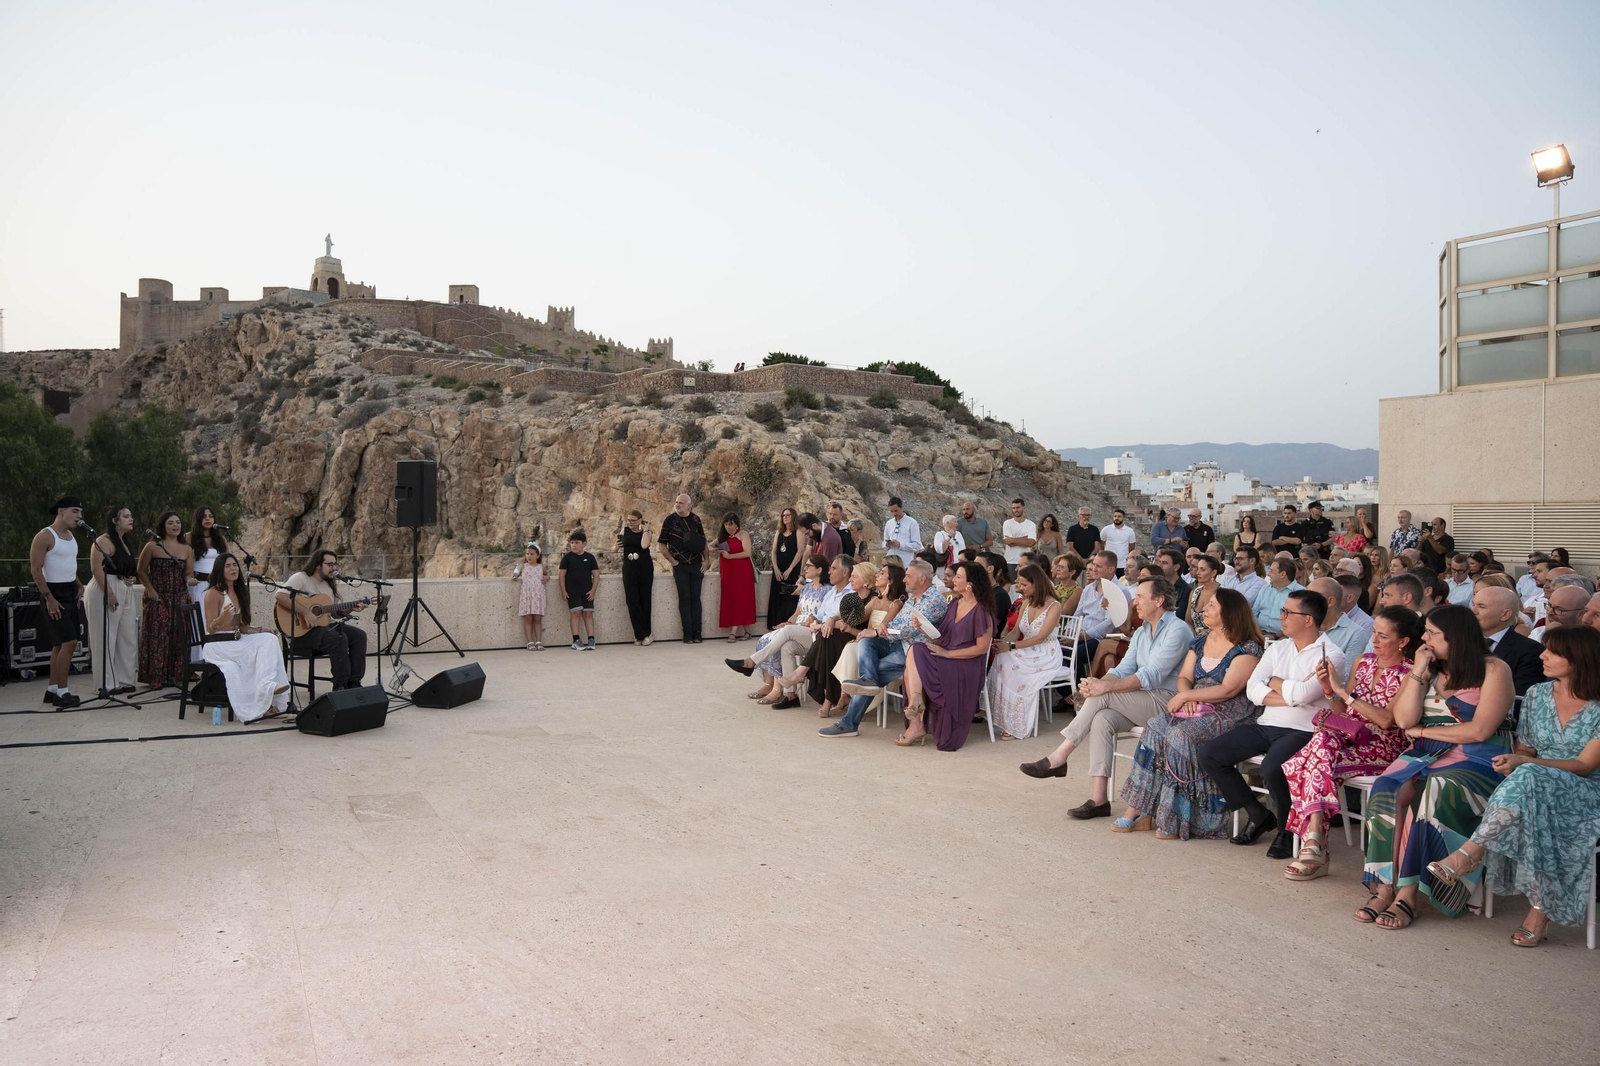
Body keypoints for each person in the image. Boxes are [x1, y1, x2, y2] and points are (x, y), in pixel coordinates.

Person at [1425, 626, 1600, 945]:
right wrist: (1515, 760)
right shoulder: (1537, 694)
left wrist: (1526, 764)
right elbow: (1527, 750)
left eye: (1552, 651)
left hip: (1585, 792)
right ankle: (1536, 911)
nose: (1542, 655)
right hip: (1534, 785)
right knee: (1527, 776)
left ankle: (1470, 853)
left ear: (1578, 659)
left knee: (1529, 775)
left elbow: (1585, 766)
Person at [1357, 604, 1513, 930]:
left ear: (1455, 637)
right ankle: (1385, 886)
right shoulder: (1431, 670)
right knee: (1386, 788)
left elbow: (1481, 730)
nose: (1424, 638)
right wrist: (1418, 671)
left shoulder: (1494, 669)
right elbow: (1403, 720)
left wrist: (1425, 731)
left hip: (1477, 759)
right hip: (1426, 754)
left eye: (1432, 633)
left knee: (1434, 790)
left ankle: (1408, 895)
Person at [1020, 576, 1193, 818]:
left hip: (1168, 700)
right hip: (1143, 699)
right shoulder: (1143, 631)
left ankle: (1059, 757)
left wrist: (1103, 689)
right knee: (1102, 718)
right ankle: (1099, 799)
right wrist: (1098, 683)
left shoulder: (1178, 630)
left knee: (1103, 697)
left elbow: (1151, 675)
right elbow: (1124, 668)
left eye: (1141, 597)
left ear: (1160, 600)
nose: (1135, 602)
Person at [1200, 589, 1348, 860]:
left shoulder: (1331, 654)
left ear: (1308, 620)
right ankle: (1258, 813)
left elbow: (1305, 696)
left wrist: (1276, 682)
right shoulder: (1277, 647)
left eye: (1288, 612)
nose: (1281, 617)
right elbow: (1252, 690)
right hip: (1267, 722)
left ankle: (1287, 829)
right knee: (1211, 754)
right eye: (1282, 611)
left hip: (1303, 729)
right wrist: (1290, 694)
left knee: (1273, 768)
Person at [1278, 606, 1424, 880]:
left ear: (1403, 641)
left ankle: (1315, 844)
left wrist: (1343, 691)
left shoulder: (1411, 673)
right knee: (1321, 743)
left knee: (1305, 760)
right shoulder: (1363, 662)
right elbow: (1342, 714)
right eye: (1374, 633)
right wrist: (1328, 689)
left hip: (1385, 746)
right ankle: (1314, 841)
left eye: (1383, 636)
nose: (1375, 641)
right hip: (1348, 739)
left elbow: (1386, 720)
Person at [1113, 589, 1263, 839]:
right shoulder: (1201, 642)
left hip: (1229, 713)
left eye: (1212, 606)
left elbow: (1229, 690)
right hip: (1196, 705)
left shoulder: (1247, 648)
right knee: (1155, 726)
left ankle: (1181, 818)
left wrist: (1187, 696)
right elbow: (1184, 678)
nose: (1204, 610)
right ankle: (1138, 810)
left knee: (1179, 735)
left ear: (1229, 613)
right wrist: (1186, 694)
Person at [825, 559, 948, 737]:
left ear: (921, 579)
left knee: (872, 669)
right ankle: (866, 681)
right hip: (897, 643)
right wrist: (880, 629)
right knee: (866, 642)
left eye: (908, 576)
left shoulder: (934, 600)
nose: (904, 580)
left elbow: (910, 630)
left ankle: (849, 723)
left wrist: (878, 631)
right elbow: (898, 622)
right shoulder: (913, 598)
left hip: (914, 652)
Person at [897, 559, 995, 750]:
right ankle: (916, 700)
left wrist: (948, 654)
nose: (952, 579)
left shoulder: (982, 610)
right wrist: (925, 630)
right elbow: (942, 639)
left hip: (965, 664)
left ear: (970, 584)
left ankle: (917, 714)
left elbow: (981, 648)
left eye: (958, 576)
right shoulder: (955, 604)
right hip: (947, 656)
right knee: (917, 647)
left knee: (915, 656)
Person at [200, 553, 290, 722]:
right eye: (227, 566)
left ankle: (266, 688)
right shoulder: (213, 593)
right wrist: (221, 619)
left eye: (234, 565)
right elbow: (210, 629)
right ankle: (264, 696)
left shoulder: (239, 590)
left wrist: (262, 629)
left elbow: (241, 627)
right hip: (218, 645)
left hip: (235, 640)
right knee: (253, 655)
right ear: (220, 569)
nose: (233, 568)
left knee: (268, 639)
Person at [731, 554, 830, 705]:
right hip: (796, 630)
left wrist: (792, 626)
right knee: (782, 645)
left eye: (809, 566)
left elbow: (823, 618)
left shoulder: (828, 591)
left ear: (819, 570)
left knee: (785, 633)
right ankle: (790, 695)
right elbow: (798, 613)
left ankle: (752, 662)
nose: (805, 568)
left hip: (813, 632)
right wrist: (787, 622)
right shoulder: (806, 589)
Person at [984, 564, 1065, 740]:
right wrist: (1002, 642)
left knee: (1011, 664)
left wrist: (1011, 647)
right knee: (1001, 658)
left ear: (1036, 583)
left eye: (1024, 584)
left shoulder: (1054, 606)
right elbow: (1015, 632)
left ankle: (1016, 724)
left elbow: (1040, 638)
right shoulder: (1026, 602)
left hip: (1046, 653)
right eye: (1018, 584)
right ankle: (1004, 716)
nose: (1019, 589)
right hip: (1026, 647)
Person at [278, 549, 370, 688]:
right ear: (318, 565)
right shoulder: (301, 578)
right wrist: (305, 612)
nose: (334, 568)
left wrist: (351, 607)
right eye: (330, 564)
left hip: (323, 629)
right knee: (339, 638)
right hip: (301, 633)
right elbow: (281, 596)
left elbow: (332, 614)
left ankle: (353, 683)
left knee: (359, 636)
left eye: (335, 564)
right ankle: (340, 686)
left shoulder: (328, 584)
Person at [31, 496, 87, 706]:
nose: (79, 516)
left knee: (58, 645)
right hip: (53, 594)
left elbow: (68, 565)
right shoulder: (44, 536)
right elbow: (36, 570)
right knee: (70, 642)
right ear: (61, 511)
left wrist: (79, 584)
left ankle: (52, 689)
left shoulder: (71, 536)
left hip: (70, 591)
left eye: (80, 512)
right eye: (75, 511)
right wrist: (49, 598)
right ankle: (63, 693)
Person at [137, 510, 196, 690]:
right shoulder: (152, 546)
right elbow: (141, 570)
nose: (175, 525)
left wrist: (190, 580)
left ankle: (176, 675)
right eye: (171, 522)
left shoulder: (187, 549)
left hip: (179, 597)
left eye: (177, 522)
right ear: (163, 525)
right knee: (157, 636)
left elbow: (187, 573)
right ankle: (156, 676)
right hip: (158, 596)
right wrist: (150, 590)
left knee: (179, 636)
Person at [86, 505, 139, 696]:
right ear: (115, 521)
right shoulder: (103, 540)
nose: (130, 519)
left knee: (127, 635)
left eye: (130, 515)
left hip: (123, 588)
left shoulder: (124, 541)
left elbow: (123, 567)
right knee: (106, 637)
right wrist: (109, 593)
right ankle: (106, 683)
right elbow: (96, 569)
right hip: (105, 588)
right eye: (126, 516)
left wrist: (129, 578)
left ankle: (125, 679)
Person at [1471, 585, 1545, 697]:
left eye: (1481, 606)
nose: (1473, 611)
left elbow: (1519, 696)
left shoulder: (1531, 651)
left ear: (1505, 614)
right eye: (1473, 604)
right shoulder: (1461, 642)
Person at [659, 494, 710, 643]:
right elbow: (662, 544)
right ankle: (687, 633)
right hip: (680, 567)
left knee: (696, 599)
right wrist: (673, 562)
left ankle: (698, 633)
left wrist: (706, 559)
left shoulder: (696, 519)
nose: (678, 505)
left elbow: (703, 542)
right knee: (684, 599)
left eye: (681, 503)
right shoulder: (669, 520)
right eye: (676, 502)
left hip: (696, 566)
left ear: (689, 505)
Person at [186, 505, 232, 647]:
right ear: (197, 519)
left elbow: (227, 561)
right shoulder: (189, 537)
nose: (207, 519)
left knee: (218, 620)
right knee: (199, 620)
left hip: (217, 586)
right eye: (204, 516)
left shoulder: (220, 540)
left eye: (210, 516)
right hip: (199, 585)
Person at [715, 513, 757, 641]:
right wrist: (718, 550)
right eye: (726, 524)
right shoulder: (723, 537)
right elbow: (710, 546)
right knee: (732, 599)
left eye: (730, 524)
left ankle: (733, 632)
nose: (728, 527)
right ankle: (747, 632)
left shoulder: (743, 534)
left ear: (736, 524)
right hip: (728, 573)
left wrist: (730, 556)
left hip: (742, 572)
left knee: (741, 599)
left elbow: (748, 552)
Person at [1309, 576, 1368, 665]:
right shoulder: (1304, 623)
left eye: (1311, 597)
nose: (1304, 602)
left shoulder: (1355, 634)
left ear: (1330, 601)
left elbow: (1347, 675)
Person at [616, 513, 653, 645]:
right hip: (629, 568)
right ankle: (639, 634)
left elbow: (644, 545)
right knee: (632, 600)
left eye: (633, 520)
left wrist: (646, 529)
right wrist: (615, 547)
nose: (630, 522)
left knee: (645, 599)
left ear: (640, 520)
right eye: (629, 520)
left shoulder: (646, 532)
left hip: (644, 568)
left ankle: (647, 634)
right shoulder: (625, 530)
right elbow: (617, 545)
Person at [1252, 556, 1304, 639]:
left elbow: (1297, 621)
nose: (1268, 574)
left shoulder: (1300, 593)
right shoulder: (1265, 589)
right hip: (1260, 633)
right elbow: (1254, 612)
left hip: (1285, 636)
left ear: (1282, 574)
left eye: (1271, 571)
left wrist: (1275, 636)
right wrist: (1257, 633)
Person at [513, 542, 548, 649]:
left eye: (532, 554)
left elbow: (546, 575)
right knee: (528, 618)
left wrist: (547, 578)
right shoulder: (523, 566)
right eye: (527, 554)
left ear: (538, 555)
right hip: (527, 595)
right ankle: (530, 642)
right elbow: (515, 573)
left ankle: (538, 641)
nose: (529, 556)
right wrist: (515, 575)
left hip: (537, 595)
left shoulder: (541, 567)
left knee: (537, 619)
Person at [1185, 554, 1223, 637]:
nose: (1198, 572)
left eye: (1202, 570)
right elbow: (1188, 621)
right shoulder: (1195, 592)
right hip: (1194, 639)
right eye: (1198, 568)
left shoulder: (1222, 594)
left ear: (1213, 572)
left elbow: (1225, 625)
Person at [880, 497, 921, 566]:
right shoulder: (889, 523)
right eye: (891, 511)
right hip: (890, 563)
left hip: (904, 563)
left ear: (901, 508)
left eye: (896, 511)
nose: (894, 514)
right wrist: (887, 544)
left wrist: (900, 545)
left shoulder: (912, 523)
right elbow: (884, 543)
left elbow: (917, 545)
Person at [999, 498, 1037, 570]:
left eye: (1018, 507)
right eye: (1013, 508)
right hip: (1010, 561)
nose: (1016, 510)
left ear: (1023, 508)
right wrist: (1025, 539)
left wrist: (1012, 540)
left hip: (1026, 562)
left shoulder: (1031, 524)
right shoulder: (1007, 523)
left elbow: (1031, 543)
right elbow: (1008, 542)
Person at [1101, 508, 1138, 576]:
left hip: (1123, 564)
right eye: (1115, 516)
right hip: (1109, 563)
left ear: (1123, 518)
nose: (1117, 518)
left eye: (1119, 516)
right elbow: (1101, 544)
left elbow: (1132, 547)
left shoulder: (1129, 531)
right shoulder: (1106, 529)